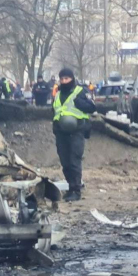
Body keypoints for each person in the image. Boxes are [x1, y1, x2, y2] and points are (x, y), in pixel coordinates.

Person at [53, 68, 96, 202]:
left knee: (74, 160)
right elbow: (54, 111)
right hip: (61, 133)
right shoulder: (58, 94)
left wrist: (80, 103)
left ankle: (76, 190)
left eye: (67, 79)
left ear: (72, 79)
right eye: (62, 79)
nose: (64, 81)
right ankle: (71, 187)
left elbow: (92, 107)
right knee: (65, 162)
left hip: (77, 131)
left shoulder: (80, 91)